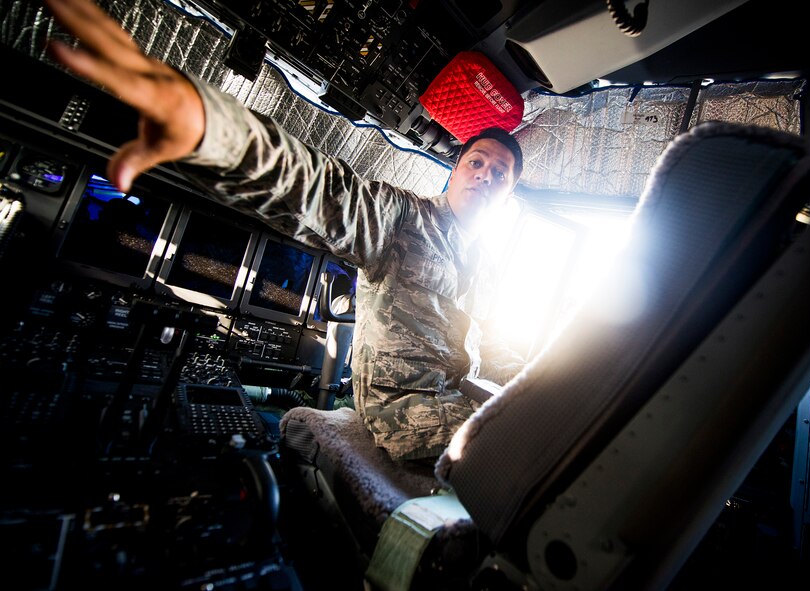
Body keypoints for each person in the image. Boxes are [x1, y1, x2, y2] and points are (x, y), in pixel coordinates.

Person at [42, 0, 526, 461]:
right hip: (404, 412)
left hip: (461, 397)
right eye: (476, 161)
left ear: (507, 194)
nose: (484, 174)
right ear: (456, 171)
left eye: (498, 173)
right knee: (522, 445)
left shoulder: (487, 264)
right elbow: (316, 188)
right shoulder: (400, 218)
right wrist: (211, 130)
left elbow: (494, 343)